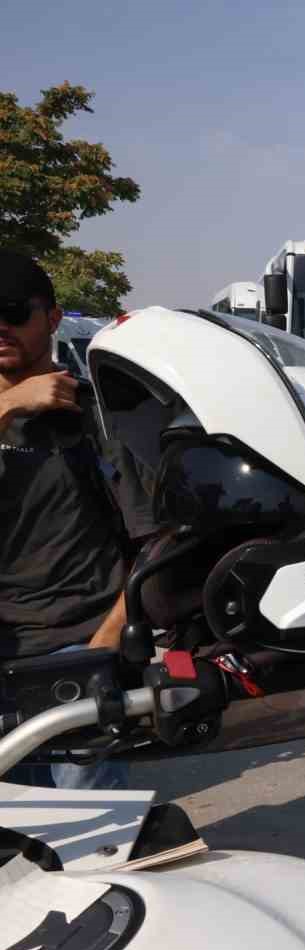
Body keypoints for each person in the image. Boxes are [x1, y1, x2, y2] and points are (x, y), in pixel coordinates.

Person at [0, 250, 153, 789]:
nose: (1, 325)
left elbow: (152, 540)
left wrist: (105, 646)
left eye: (14, 310)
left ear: (53, 318)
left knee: (82, 841)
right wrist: (9, 407)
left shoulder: (94, 418)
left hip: (74, 652)